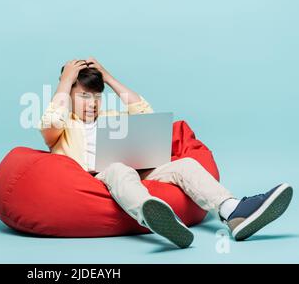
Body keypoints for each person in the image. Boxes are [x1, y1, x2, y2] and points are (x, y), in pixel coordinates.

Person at [38, 57, 293, 248]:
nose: (92, 104)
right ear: (69, 96)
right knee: (118, 169)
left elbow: (143, 112)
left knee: (186, 165)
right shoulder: (63, 125)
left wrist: (109, 77)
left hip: (136, 174)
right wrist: (64, 82)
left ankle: (233, 211)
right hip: (97, 180)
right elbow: (51, 124)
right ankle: (156, 214)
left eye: (96, 97)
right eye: (83, 96)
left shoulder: (110, 118)